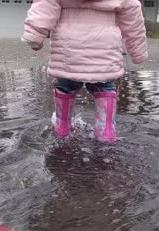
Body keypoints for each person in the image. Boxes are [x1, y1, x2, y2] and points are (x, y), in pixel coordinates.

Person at [22, 0, 148, 142]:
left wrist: (34, 37)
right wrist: (138, 52)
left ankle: (62, 128)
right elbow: (133, 22)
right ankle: (105, 132)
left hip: (68, 52)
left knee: (65, 87)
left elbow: (44, 8)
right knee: (105, 87)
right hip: (104, 52)